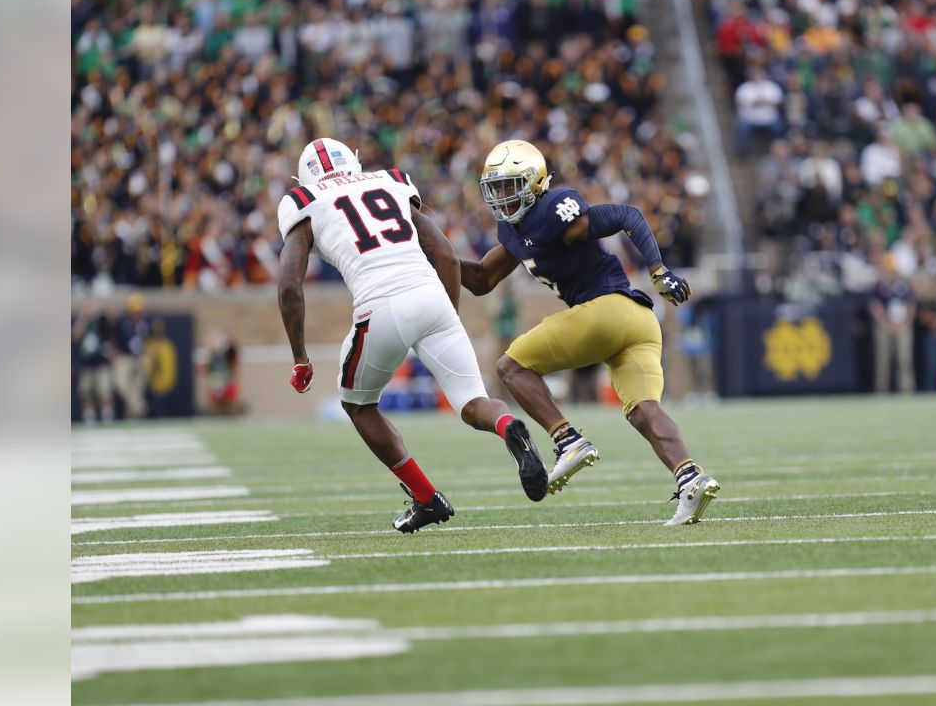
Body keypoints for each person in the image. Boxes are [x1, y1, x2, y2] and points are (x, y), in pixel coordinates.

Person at [276, 137, 546, 534]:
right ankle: (509, 426)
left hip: (379, 306)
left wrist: (300, 356)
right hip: (431, 295)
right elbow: (445, 254)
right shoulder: (390, 180)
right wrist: (447, 318)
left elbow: (288, 285)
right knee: (474, 402)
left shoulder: (302, 200)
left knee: (358, 405)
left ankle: (426, 498)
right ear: (354, 160)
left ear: (305, 178)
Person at [458, 139, 719, 526]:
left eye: (510, 185)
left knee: (511, 367)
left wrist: (659, 271)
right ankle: (690, 478)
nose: (502, 196)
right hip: (639, 322)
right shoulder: (516, 231)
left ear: (535, 182)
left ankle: (567, 440)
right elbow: (481, 279)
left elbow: (626, 215)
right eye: (496, 187)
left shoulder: (553, 209)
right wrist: (434, 256)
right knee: (644, 410)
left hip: (607, 310)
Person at [870, 254, 915, 393]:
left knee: (904, 360)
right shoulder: (880, 286)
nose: (891, 273)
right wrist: (886, 324)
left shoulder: (904, 286)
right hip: (884, 326)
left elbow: (910, 307)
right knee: (882, 362)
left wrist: (904, 323)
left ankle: (907, 391)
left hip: (902, 326)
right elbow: (875, 307)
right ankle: (881, 391)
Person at [73, 300, 115, 424]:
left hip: (101, 361)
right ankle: (89, 416)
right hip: (86, 362)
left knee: (104, 389)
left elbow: (111, 320)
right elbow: (75, 336)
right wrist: (83, 316)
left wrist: (102, 310)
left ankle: (107, 415)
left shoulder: (101, 321)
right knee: (86, 390)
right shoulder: (83, 322)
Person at [112, 293, 151, 419]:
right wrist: (115, 352)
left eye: (139, 311)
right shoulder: (121, 322)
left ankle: (133, 415)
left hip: (140, 358)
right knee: (121, 384)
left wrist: (147, 355)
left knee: (138, 387)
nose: (137, 314)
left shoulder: (145, 324)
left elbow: (149, 342)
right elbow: (114, 340)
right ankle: (140, 407)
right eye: (134, 311)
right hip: (124, 357)